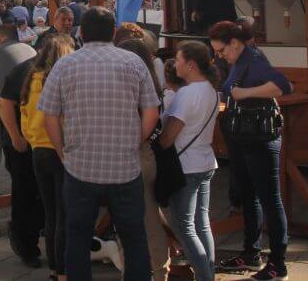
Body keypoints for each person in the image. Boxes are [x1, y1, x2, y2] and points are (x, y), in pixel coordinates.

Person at [38, 7, 160, 281]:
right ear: (113, 32)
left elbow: (49, 115)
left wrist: (61, 151)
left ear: (81, 32)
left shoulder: (65, 64)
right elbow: (152, 113)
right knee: (134, 237)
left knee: (77, 237)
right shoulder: (133, 62)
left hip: (80, 166)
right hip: (125, 166)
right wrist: (133, 141)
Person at [211, 21, 293, 280]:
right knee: (249, 196)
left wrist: (245, 93)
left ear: (235, 43)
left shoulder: (253, 59)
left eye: (221, 50)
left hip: (259, 139)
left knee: (269, 199)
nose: (219, 55)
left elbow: (282, 86)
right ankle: (251, 253)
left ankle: (278, 264)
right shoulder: (238, 60)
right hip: (242, 137)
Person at [158, 42, 219, 281]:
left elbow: (168, 138)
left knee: (185, 227)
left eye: (179, 59)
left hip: (186, 165)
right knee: (201, 224)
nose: (176, 63)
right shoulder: (211, 90)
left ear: (191, 65)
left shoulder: (187, 93)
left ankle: (205, 277)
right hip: (205, 161)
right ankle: (209, 274)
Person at [18, 32, 76, 281]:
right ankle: (62, 269)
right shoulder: (61, 80)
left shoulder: (32, 79)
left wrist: (30, 138)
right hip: (59, 149)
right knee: (64, 213)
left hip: (38, 150)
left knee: (51, 213)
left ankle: (55, 267)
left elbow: (23, 112)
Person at [0, 23, 42, 269]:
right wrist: (16, 138)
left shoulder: (41, 68)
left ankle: (32, 241)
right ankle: (26, 243)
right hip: (24, 144)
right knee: (26, 193)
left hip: (39, 145)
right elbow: (4, 103)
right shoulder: (26, 70)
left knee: (33, 194)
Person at [117, 38, 171, 281]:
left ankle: (155, 273)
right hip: (145, 155)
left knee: (139, 223)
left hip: (134, 155)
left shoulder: (129, 86)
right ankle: (157, 272)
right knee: (148, 220)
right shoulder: (152, 84)